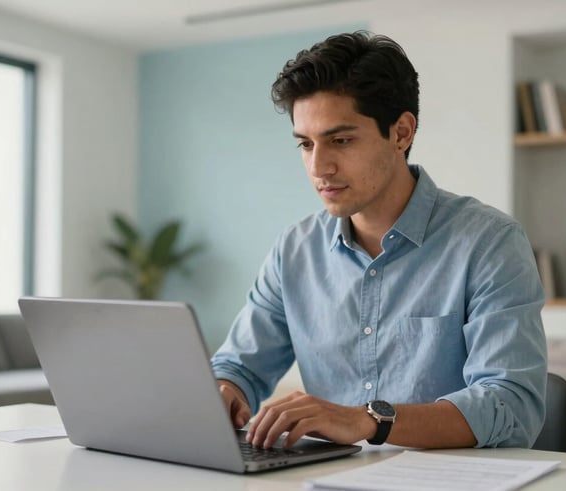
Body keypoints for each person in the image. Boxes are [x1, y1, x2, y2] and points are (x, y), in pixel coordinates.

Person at [211, 31, 547, 451]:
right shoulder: (294, 250)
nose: (319, 167)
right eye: (305, 144)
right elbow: (238, 365)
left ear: (402, 132)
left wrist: (368, 421)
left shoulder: (489, 243)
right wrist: (225, 391)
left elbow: (511, 407)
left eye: (341, 140)